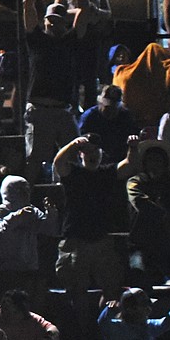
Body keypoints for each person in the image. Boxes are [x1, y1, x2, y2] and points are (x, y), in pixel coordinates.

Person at [51, 134, 129, 325]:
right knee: (77, 290)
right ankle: (82, 330)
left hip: (101, 238)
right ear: (80, 155)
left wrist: (132, 148)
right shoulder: (73, 173)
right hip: (75, 239)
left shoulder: (107, 172)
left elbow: (129, 166)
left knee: (111, 288)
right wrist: (73, 144)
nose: (92, 155)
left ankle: (105, 326)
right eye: (88, 151)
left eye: (95, 151)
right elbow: (58, 162)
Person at [23, 0, 89, 176]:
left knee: (72, 157)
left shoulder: (70, 41)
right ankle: (28, 201)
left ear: (63, 23)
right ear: (45, 21)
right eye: (50, 20)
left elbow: (85, 10)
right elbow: (27, 4)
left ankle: (66, 198)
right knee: (34, 159)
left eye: (56, 21)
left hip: (62, 110)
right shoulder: (37, 40)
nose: (52, 23)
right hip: (40, 109)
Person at [0, 175, 58, 302]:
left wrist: (51, 214)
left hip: (27, 268)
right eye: (20, 190)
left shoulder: (32, 211)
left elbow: (49, 230)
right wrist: (16, 217)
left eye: (26, 190)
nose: (25, 194)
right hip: (5, 268)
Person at [123, 138, 170, 284]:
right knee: (138, 275)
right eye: (151, 160)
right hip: (141, 243)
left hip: (168, 243)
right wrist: (165, 215)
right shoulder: (136, 182)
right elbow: (140, 202)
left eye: (158, 160)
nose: (155, 164)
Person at [77, 85, 137, 163]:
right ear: (100, 103)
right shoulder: (89, 117)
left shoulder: (126, 117)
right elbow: (81, 142)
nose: (110, 111)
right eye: (107, 107)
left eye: (114, 108)